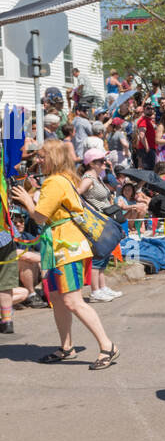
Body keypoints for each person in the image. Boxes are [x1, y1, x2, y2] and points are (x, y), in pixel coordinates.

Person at [10, 140, 118, 369]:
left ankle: (107, 346)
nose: (37, 161)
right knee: (58, 299)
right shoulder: (64, 178)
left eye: (41, 157)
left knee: (71, 300)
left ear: (53, 158)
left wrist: (28, 201)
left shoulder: (54, 182)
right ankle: (66, 347)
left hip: (66, 247)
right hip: (60, 246)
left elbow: (39, 217)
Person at [78, 148, 123, 302]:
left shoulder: (98, 177)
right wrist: (88, 209)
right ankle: (95, 290)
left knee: (104, 255)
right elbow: (77, 194)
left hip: (105, 220)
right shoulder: (88, 178)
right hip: (97, 222)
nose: (105, 163)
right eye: (101, 161)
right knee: (98, 256)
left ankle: (102, 287)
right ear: (92, 163)